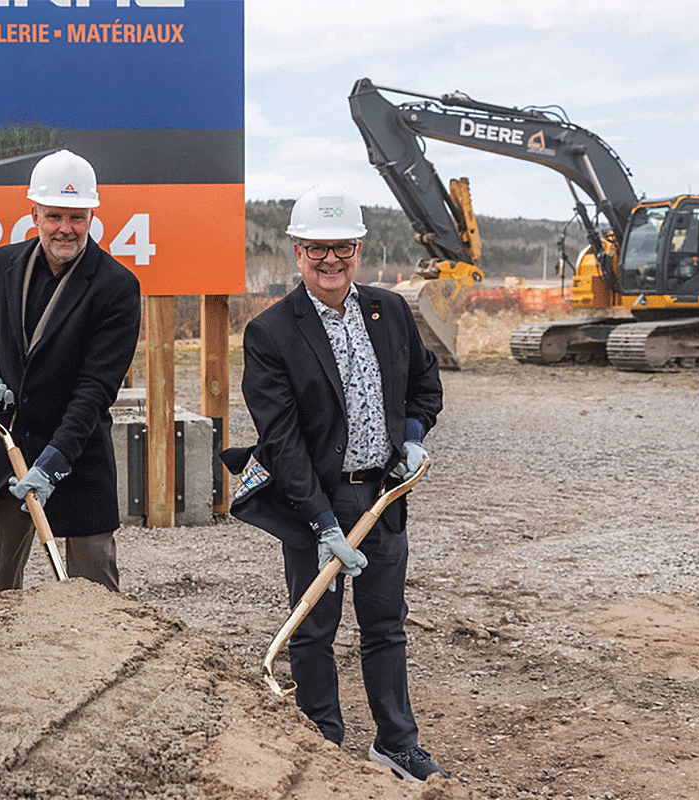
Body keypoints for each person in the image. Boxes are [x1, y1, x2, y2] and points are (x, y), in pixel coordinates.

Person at [224, 185, 447, 782]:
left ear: (358, 250)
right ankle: (321, 740)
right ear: (297, 251)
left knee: (384, 624)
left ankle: (396, 743)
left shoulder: (391, 311)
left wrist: (414, 432)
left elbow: (425, 386)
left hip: (383, 496)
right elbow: (282, 442)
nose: (331, 260)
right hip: (315, 499)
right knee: (315, 627)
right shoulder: (271, 332)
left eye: (342, 247)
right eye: (317, 248)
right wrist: (322, 523)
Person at [0, 150, 140, 592]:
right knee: (0, 593)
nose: (65, 229)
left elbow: (95, 389)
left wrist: (55, 462)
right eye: (54, 216)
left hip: (78, 458)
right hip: (11, 455)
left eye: (77, 217)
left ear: (92, 214)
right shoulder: (2, 266)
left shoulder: (116, 286)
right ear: (33, 211)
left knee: (97, 601)